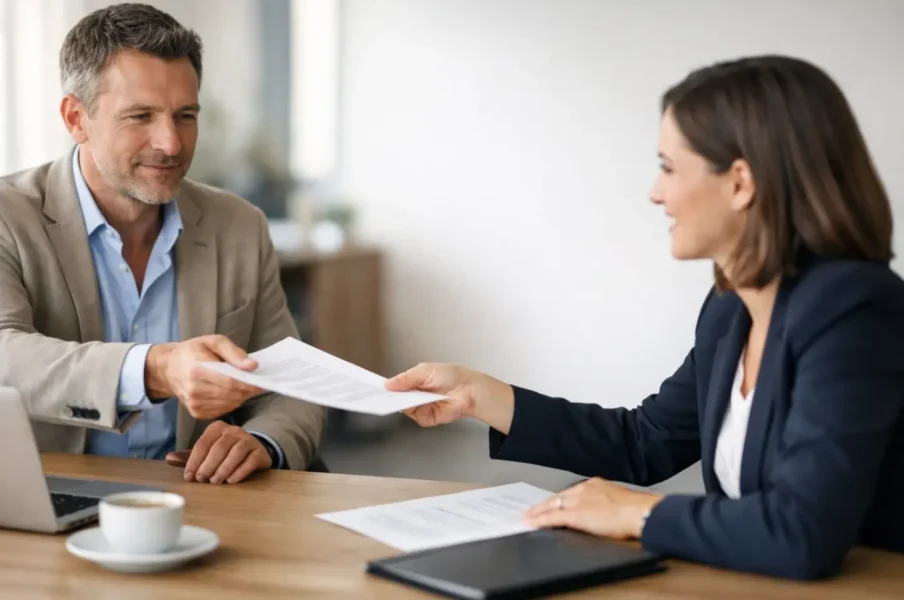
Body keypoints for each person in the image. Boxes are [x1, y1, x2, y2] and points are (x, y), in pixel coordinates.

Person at [385, 55, 904, 579]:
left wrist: (635, 512)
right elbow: (646, 442)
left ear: (741, 183)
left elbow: (802, 532)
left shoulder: (856, 313)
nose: (656, 192)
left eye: (669, 167)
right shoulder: (731, 309)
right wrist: (480, 394)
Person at [0, 3, 325, 483]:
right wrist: (154, 369)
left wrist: (263, 440)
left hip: (201, 503)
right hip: (40, 498)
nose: (171, 143)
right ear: (76, 118)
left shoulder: (239, 226)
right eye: (140, 116)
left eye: (185, 115)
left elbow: (292, 384)